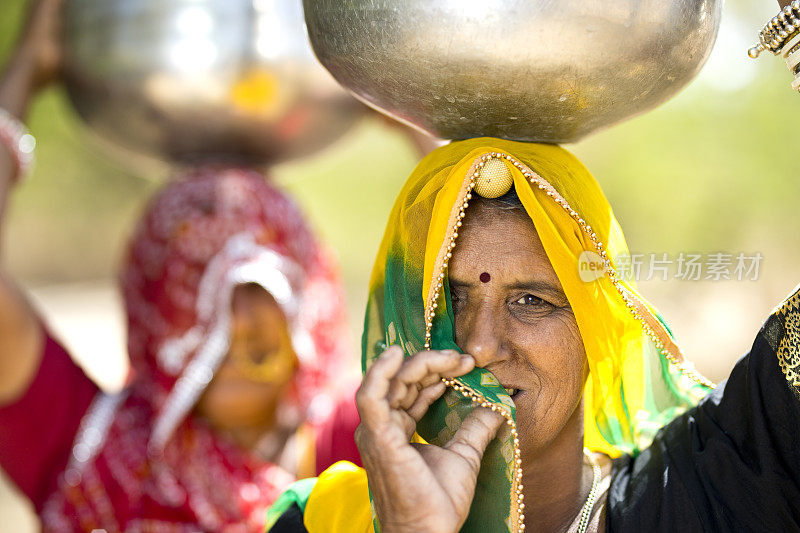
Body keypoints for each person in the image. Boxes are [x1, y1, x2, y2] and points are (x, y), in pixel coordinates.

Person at [266, 136, 800, 532]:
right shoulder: (315, 520)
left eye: (530, 301)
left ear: (597, 327)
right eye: (450, 301)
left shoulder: (715, 486)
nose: (478, 344)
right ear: (404, 326)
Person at [0, 1, 361, 530]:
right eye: (197, 278)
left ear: (310, 302)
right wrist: (26, 69)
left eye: (263, 281)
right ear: (149, 306)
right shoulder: (89, 451)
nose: (240, 319)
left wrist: (406, 100)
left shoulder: (357, 450)